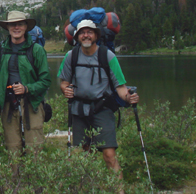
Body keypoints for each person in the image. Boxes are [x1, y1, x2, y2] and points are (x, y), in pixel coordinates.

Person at [58, 19, 139, 177]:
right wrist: (65, 90)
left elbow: (120, 87)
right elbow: (64, 83)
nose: (86, 35)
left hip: (103, 109)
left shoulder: (107, 56)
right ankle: (93, 186)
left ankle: (118, 190)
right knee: (87, 153)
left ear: (96, 35)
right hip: (79, 110)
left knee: (109, 154)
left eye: (89, 32)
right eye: (82, 32)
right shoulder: (71, 56)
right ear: (77, 37)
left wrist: (129, 98)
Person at [0, 11, 51, 153]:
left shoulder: (37, 50)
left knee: (35, 147)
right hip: (9, 104)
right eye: (12, 25)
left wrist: (27, 89)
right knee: (12, 148)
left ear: (26, 27)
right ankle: (14, 175)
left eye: (20, 24)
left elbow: (46, 80)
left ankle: (35, 176)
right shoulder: (2, 48)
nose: (16, 28)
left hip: (32, 103)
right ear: (8, 28)